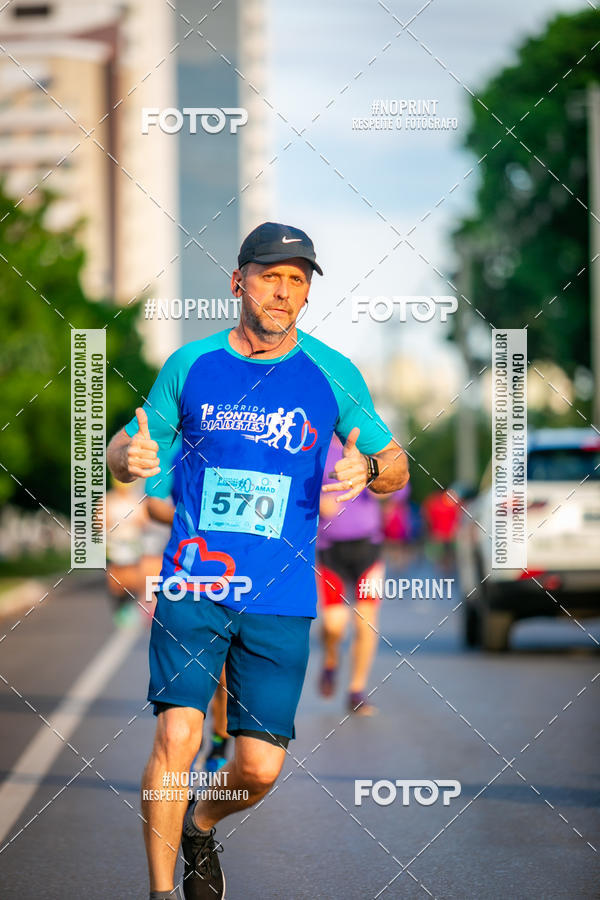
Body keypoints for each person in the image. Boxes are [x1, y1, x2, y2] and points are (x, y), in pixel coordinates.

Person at [107, 221, 409, 900]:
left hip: (279, 594)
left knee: (260, 767)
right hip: (193, 581)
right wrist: (124, 458)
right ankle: (161, 895)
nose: (283, 291)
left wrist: (371, 467)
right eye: (271, 275)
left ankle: (201, 821)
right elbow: (126, 447)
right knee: (178, 736)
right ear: (238, 281)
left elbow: (394, 462)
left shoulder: (332, 372)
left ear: (306, 296)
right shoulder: (190, 365)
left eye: (297, 280)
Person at [316, 436, 387, 716]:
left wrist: (378, 476)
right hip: (331, 550)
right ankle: (331, 659)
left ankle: (356, 690)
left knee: (365, 624)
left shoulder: (371, 447)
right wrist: (317, 500)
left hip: (368, 549)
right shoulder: (315, 443)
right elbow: (297, 485)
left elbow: (395, 489)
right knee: (335, 626)